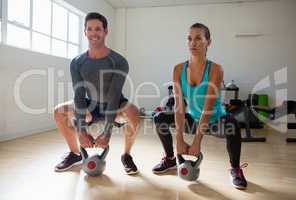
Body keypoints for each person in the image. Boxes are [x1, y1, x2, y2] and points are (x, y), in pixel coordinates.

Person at [152, 23, 248, 189]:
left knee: (232, 124)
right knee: (160, 117)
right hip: (194, 119)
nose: (192, 43)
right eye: (189, 39)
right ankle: (170, 158)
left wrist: (197, 141)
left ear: (208, 42)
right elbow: (179, 106)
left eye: (198, 38)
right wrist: (179, 140)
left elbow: (208, 108)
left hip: (215, 120)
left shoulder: (216, 70)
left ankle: (235, 168)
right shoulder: (178, 69)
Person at [53, 12, 140, 175]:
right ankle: (75, 154)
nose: (94, 33)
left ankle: (126, 156)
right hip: (90, 104)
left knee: (134, 113)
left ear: (106, 31)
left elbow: (114, 96)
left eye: (98, 29)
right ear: (85, 32)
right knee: (58, 111)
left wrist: (106, 132)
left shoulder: (119, 61)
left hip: (115, 104)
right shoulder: (77, 62)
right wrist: (82, 131)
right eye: (90, 29)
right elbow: (79, 95)